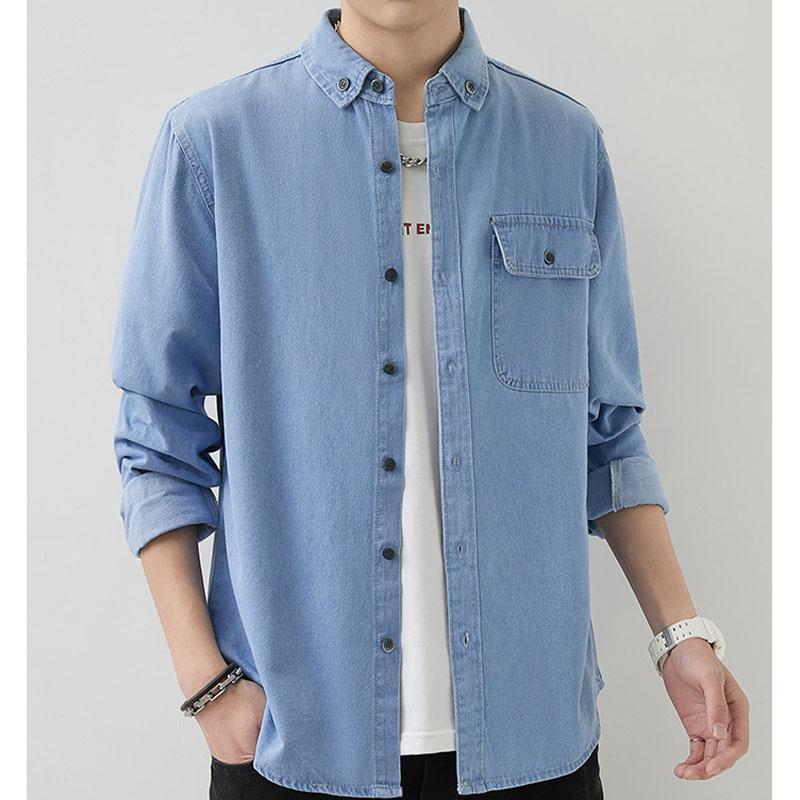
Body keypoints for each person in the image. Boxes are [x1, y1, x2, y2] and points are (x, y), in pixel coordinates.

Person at [110, 3, 750, 798]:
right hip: (295, 741)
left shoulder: (563, 144)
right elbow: (155, 438)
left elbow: (607, 434)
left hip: (534, 738)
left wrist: (681, 636)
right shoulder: (215, 143)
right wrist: (206, 685)